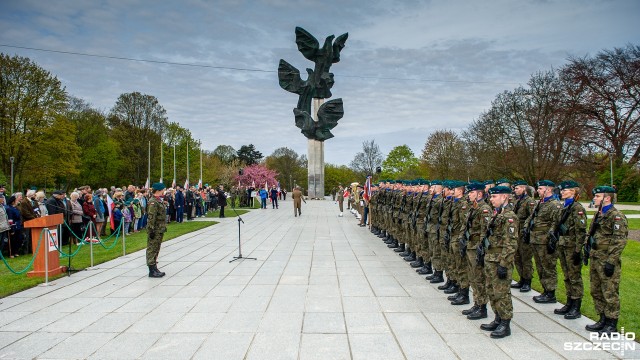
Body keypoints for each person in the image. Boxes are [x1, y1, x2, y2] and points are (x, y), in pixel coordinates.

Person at [585, 186, 628, 335]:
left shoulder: (616, 216)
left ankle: (611, 322)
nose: (595, 199)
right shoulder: (599, 213)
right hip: (596, 256)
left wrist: (611, 261)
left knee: (609, 291)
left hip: (607, 259)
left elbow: (619, 240)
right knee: (596, 290)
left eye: (597, 196)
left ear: (607, 198)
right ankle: (602, 318)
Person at [480, 185, 519, 338]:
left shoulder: (510, 217)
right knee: (491, 290)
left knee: (502, 292)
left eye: (494, 197)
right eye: (490, 197)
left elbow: (511, 243)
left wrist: (504, 264)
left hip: (499, 261)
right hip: (490, 258)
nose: (491, 199)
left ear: (504, 197)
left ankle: (505, 323)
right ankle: (497, 318)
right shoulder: (497, 214)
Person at [552, 180, 587, 320]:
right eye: (562, 190)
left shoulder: (577, 208)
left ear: (573, 191)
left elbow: (581, 231)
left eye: (565, 190)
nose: (562, 192)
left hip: (572, 247)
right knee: (567, 275)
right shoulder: (563, 206)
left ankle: (576, 306)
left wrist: (578, 250)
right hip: (562, 244)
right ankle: (569, 302)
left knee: (574, 277)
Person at [527, 180, 562, 304]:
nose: (538, 191)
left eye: (541, 189)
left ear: (548, 189)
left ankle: (550, 293)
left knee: (548, 267)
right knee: (540, 267)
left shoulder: (554, 205)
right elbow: (532, 218)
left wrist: (551, 239)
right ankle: (545, 290)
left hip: (545, 240)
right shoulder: (540, 203)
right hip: (536, 239)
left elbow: (556, 222)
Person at [510, 180, 537, 292]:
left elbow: (532, 217)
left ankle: (527, 280)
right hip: (516, 232)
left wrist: (527, 231)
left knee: (525, 258)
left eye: (517, 188)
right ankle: (521, 278)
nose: (515, 190)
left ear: (523, 189)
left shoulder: (529, 201)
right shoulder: (518, 201)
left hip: (524, 232)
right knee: (517, 257)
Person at [147, 183, 168, 278]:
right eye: (163, 189)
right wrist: (151, 230)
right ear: (159, 190)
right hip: (155, 229)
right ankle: (151, 269)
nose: (164, 191)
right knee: (152, 248)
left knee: (157, 248)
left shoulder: (158, 200)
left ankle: (154, 267)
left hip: (160, 229)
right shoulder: (153, 201)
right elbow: (151, 217)